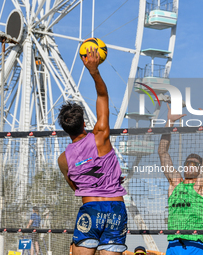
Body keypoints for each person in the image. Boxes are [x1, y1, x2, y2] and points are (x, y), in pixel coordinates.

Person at [57, 47, 128, 255]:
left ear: (65, 129)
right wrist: (94, 71)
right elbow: (102, 95)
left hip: (90, 211)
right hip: (115, 208)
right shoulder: (100, 136)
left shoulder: (63, 160)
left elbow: (78, 188)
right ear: (84, 123)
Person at [158, 101, 203, 255]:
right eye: (188, 162)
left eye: (195, 163)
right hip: (173, 243)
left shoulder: (200, 186)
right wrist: (170, 122)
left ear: (200, 169)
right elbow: (162, 152)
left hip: (195, 244)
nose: (191, 165)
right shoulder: (175, 183)